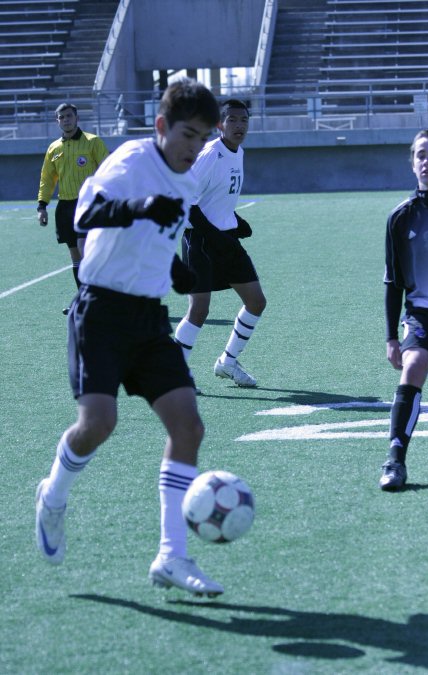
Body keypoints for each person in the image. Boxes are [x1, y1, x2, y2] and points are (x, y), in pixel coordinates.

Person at [35, 79, 224, 597]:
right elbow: (85, 215)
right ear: (162, 127)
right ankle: (52, 495)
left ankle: (172, 556)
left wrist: (181, 273)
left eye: (203, 138)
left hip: (147, 318)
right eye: (187, 134)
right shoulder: (129, 162)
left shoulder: (187, 178)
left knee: (188, 426)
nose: (193, 147)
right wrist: (139, 206)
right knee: (98, 424)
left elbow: (157, 239)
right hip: (99, 311)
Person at [174, 99, 266, 388]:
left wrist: (235, 221)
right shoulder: (210, 155)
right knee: (199, 310)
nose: (239, 126)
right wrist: (217, 236)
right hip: (200, 240)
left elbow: (215, 198)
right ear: (219, 124)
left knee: (256, 301)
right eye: (232, 120)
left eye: (244, 120)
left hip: (224, 239)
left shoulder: (237, 152)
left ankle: (228, 362)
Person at [380, 128, 428, 490]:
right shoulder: (400, 217)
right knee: (414, 364)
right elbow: (393, 282)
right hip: (423, 315)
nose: (427, 161)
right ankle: (395, 461)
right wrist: (392, 337)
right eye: (421, 154)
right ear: (412, 163)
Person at [37, 102, 109, 313]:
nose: (66, 120)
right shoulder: (54, 148)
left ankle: (95, 300)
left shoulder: (92, 142)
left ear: (77, 118)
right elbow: (47, 179)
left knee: (85, 250)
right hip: (66, 207)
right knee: (75, 256)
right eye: (62, 117)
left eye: (69, 116)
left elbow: (109, 170)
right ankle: (86, 300)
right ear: (57, 121)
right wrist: (42, 205)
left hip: (90, 205)